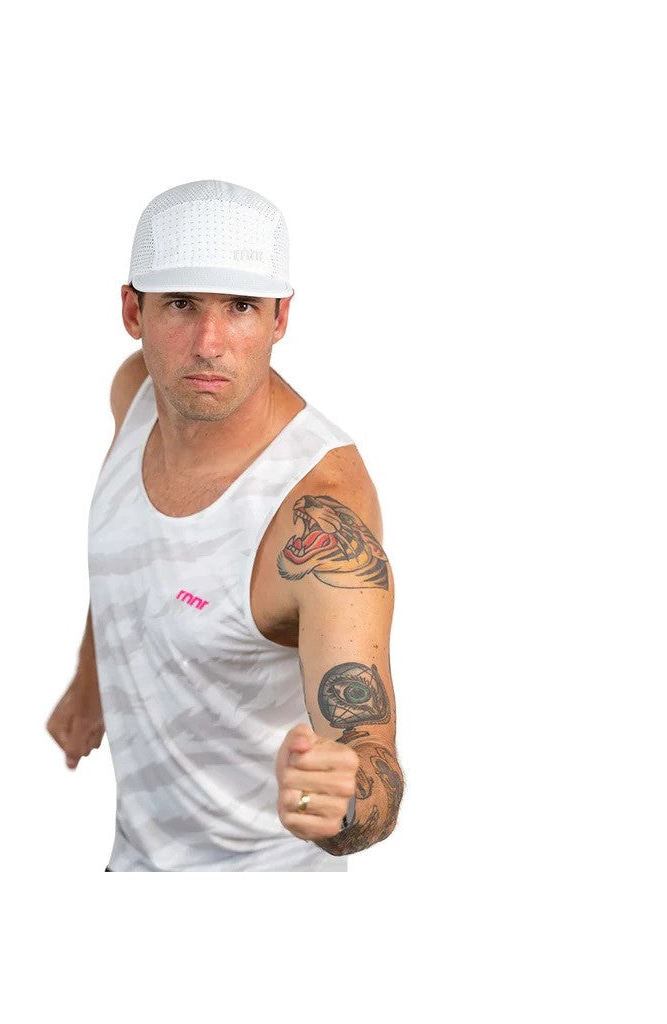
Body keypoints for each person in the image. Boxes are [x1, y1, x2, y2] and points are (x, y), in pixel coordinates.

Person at [46, 179, 404, 871]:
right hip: (135, 857)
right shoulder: (137, 393)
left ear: (280, 317)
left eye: (240, 306)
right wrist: (89, 684)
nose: (208, 345)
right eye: (182, 304)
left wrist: (340, 804)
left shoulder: (318, 521)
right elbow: (134, 547)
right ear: (133, 310)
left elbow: (372, 762)